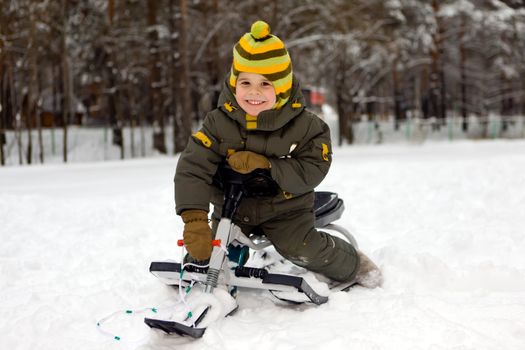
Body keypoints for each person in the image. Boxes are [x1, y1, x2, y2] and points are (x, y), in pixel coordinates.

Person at [174, 20, 381, 288]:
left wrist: (268, 166)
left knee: (300, 247)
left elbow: (313, 166)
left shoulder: (307, 126)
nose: (253, 92)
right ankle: (218, 267)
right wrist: (194, 219)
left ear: (282, 87)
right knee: (204, 253)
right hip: (231, 209)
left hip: (286, 208)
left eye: (265, 84)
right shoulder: (217, 122)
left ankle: (353, 264)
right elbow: (193, 167)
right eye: (245, 82)